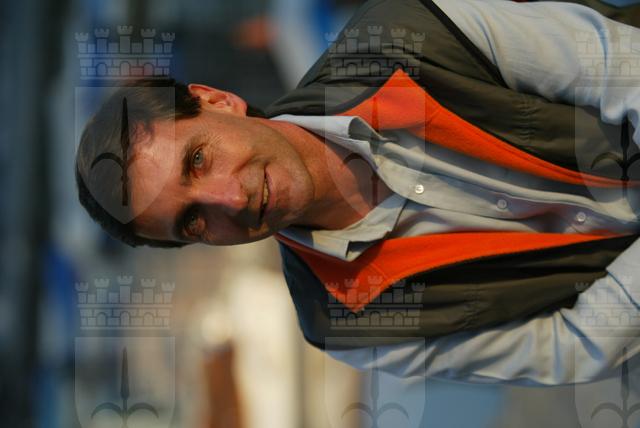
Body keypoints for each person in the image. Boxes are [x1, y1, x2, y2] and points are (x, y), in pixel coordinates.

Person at [76, 0, 640, 385]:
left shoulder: (402, 33)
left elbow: (620, 66)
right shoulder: (342, 323)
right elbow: (571, 349)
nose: (230, 199)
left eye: (198, 159)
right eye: (193, 221)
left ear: (217, 100)